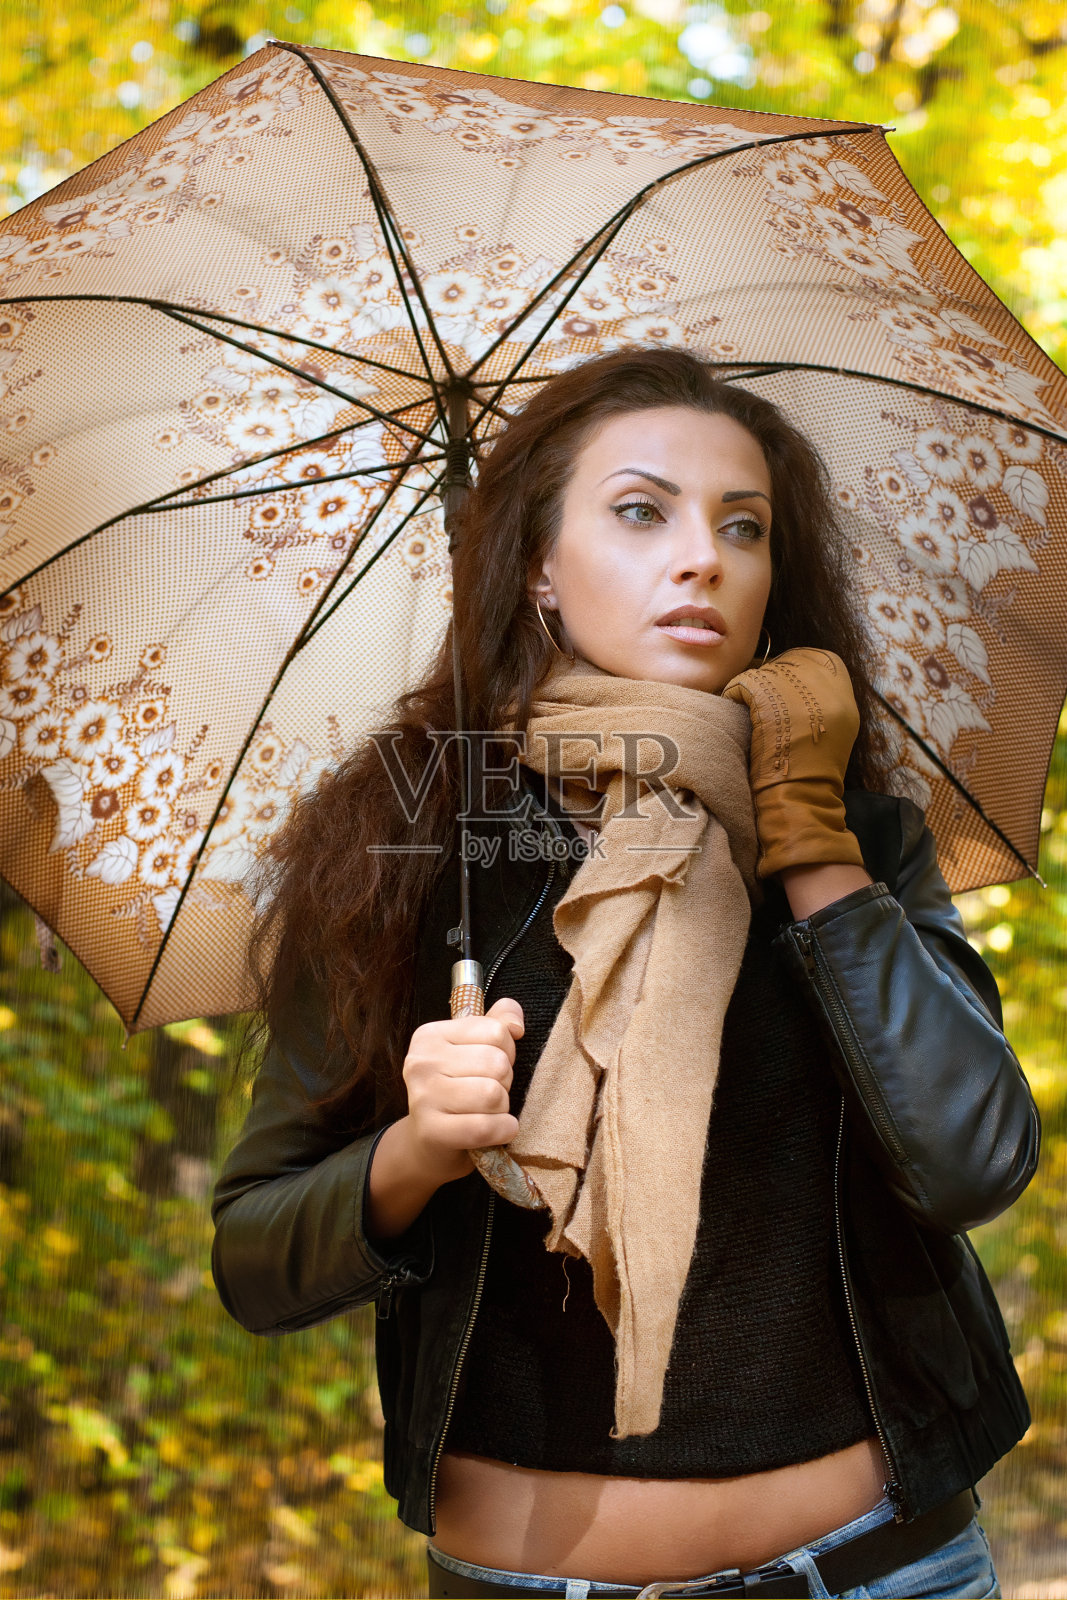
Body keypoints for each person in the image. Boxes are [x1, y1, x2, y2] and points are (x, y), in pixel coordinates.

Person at [210, 348, 1040, 1600]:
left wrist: (808, 833)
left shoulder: (855, 838)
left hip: (880, 1574)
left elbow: (972, 1158)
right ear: (537, 563)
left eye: (742, 525)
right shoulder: (407, 846)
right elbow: (254, 1260)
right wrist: (415, 1153)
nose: (701, 556)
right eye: (640, 511)